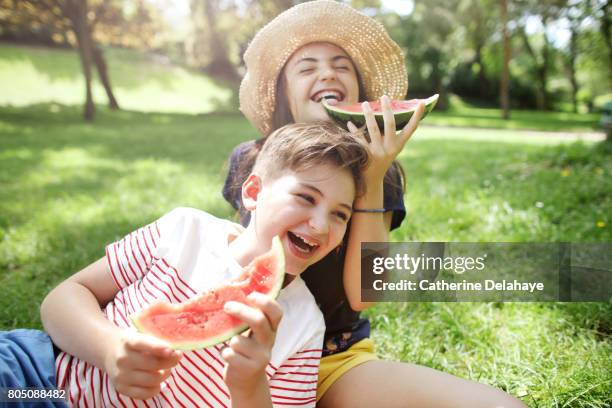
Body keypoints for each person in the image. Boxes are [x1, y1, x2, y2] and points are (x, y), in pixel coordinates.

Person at [223, 1, 526, 407]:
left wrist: (371, 177)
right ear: (283, 93)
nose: (327, 73)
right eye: (307, 66)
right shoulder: (250, 158)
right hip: (234, 346)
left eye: (341, 66)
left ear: (361, 94)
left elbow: (364, 294)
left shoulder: (381, 174)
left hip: (331, 359)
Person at [0, 122, 369, 407]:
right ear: (254, 192)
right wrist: (110, 349)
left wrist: (251, 384)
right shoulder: (186, 230)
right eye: (306, 197)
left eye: (339, 215)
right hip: (42, 382)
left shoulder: (304, 327)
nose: (320, 225)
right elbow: (64, 297)